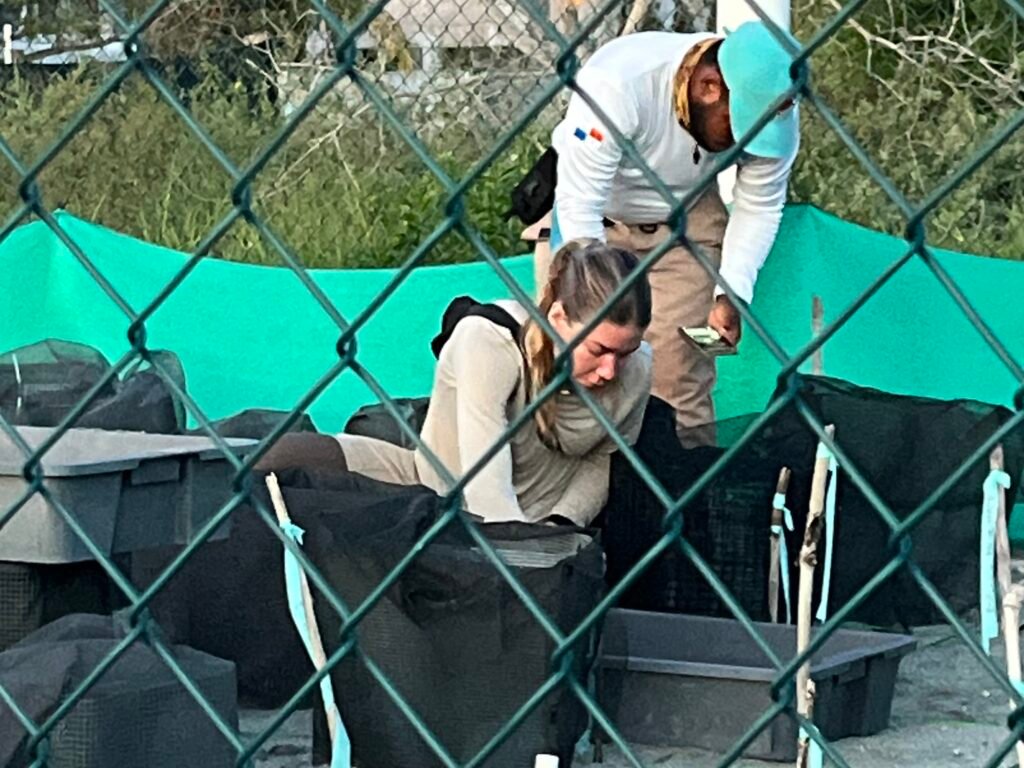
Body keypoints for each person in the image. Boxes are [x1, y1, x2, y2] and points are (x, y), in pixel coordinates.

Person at [524, 20, 799, 446]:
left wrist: (730, 292)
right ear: (709, 87)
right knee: (581, 361)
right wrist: (597, 299)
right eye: (739, 127)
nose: (746, 145)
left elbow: (760, 205)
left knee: (679, 380)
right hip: (595, 221)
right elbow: (580, 207)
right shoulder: (618, 84)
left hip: (686, 221)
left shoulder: (775, 103)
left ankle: (684, 480)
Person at [334, 239, 653, 526]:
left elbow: (603, 460)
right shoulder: (489, 340)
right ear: (557, 319)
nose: (611, 370)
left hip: (550, 529)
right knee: (305, 469)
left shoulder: (638, 367)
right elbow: (487, 494)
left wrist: (559, 526)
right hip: (441, 501)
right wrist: (522, 545)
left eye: (625, 353)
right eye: (598, 350)